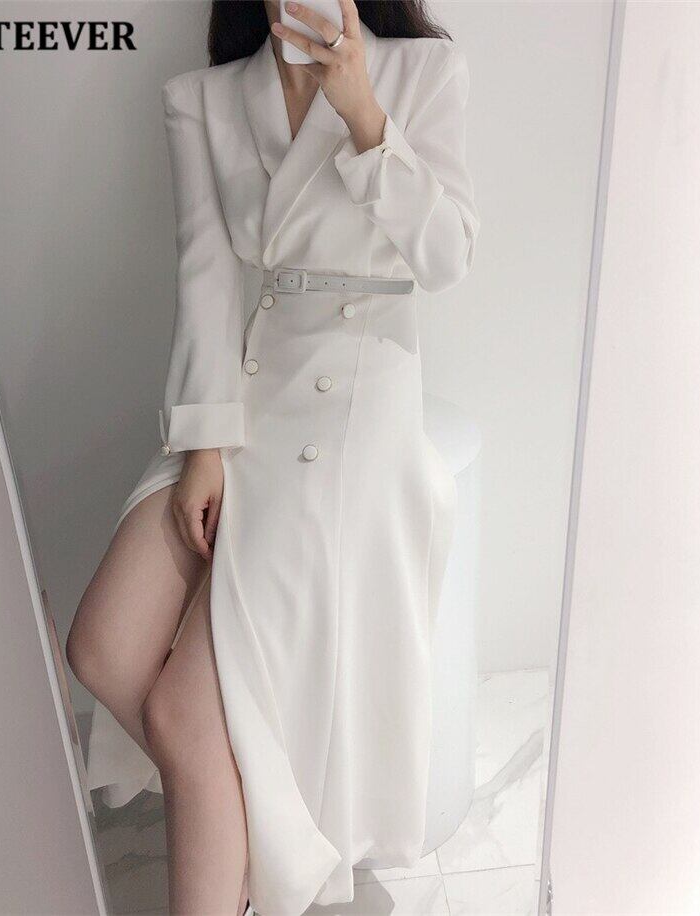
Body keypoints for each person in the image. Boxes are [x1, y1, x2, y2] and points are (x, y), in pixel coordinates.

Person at [66, 1, 479, 913]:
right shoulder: (203, 98)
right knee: (101, 647)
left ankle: (236, 874)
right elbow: (207, 279)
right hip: (250, 389)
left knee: (181, 713)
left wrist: (363, 111)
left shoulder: (422, 74)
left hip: (359, 392)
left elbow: (447, 257)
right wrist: (205, 446)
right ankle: (268, 837)